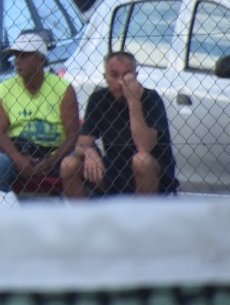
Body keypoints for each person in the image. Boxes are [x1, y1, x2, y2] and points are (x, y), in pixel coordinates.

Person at [60, 50, 179, 197]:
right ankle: (84, 219)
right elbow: (82, 142)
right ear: (105, 77)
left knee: (141, 161)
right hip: (114, 170)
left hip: (153, 174)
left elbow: (144, 147)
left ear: (136, 76)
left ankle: (146, 217)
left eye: (127, 75)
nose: (120, 82)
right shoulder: (99, 99)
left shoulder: (150, 98)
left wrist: (133, 101)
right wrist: (89, 152)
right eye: (114, 75)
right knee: (69, 164)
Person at [0, 30, 80, 193]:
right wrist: (18, 159)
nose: (17, 61)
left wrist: (50, 162)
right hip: (19, 152)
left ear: (41, 59)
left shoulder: (63, 88)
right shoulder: (4, 90)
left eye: (24, 56)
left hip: (55, 154)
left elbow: (73, 135)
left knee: (72, 165)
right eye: (15, 56)